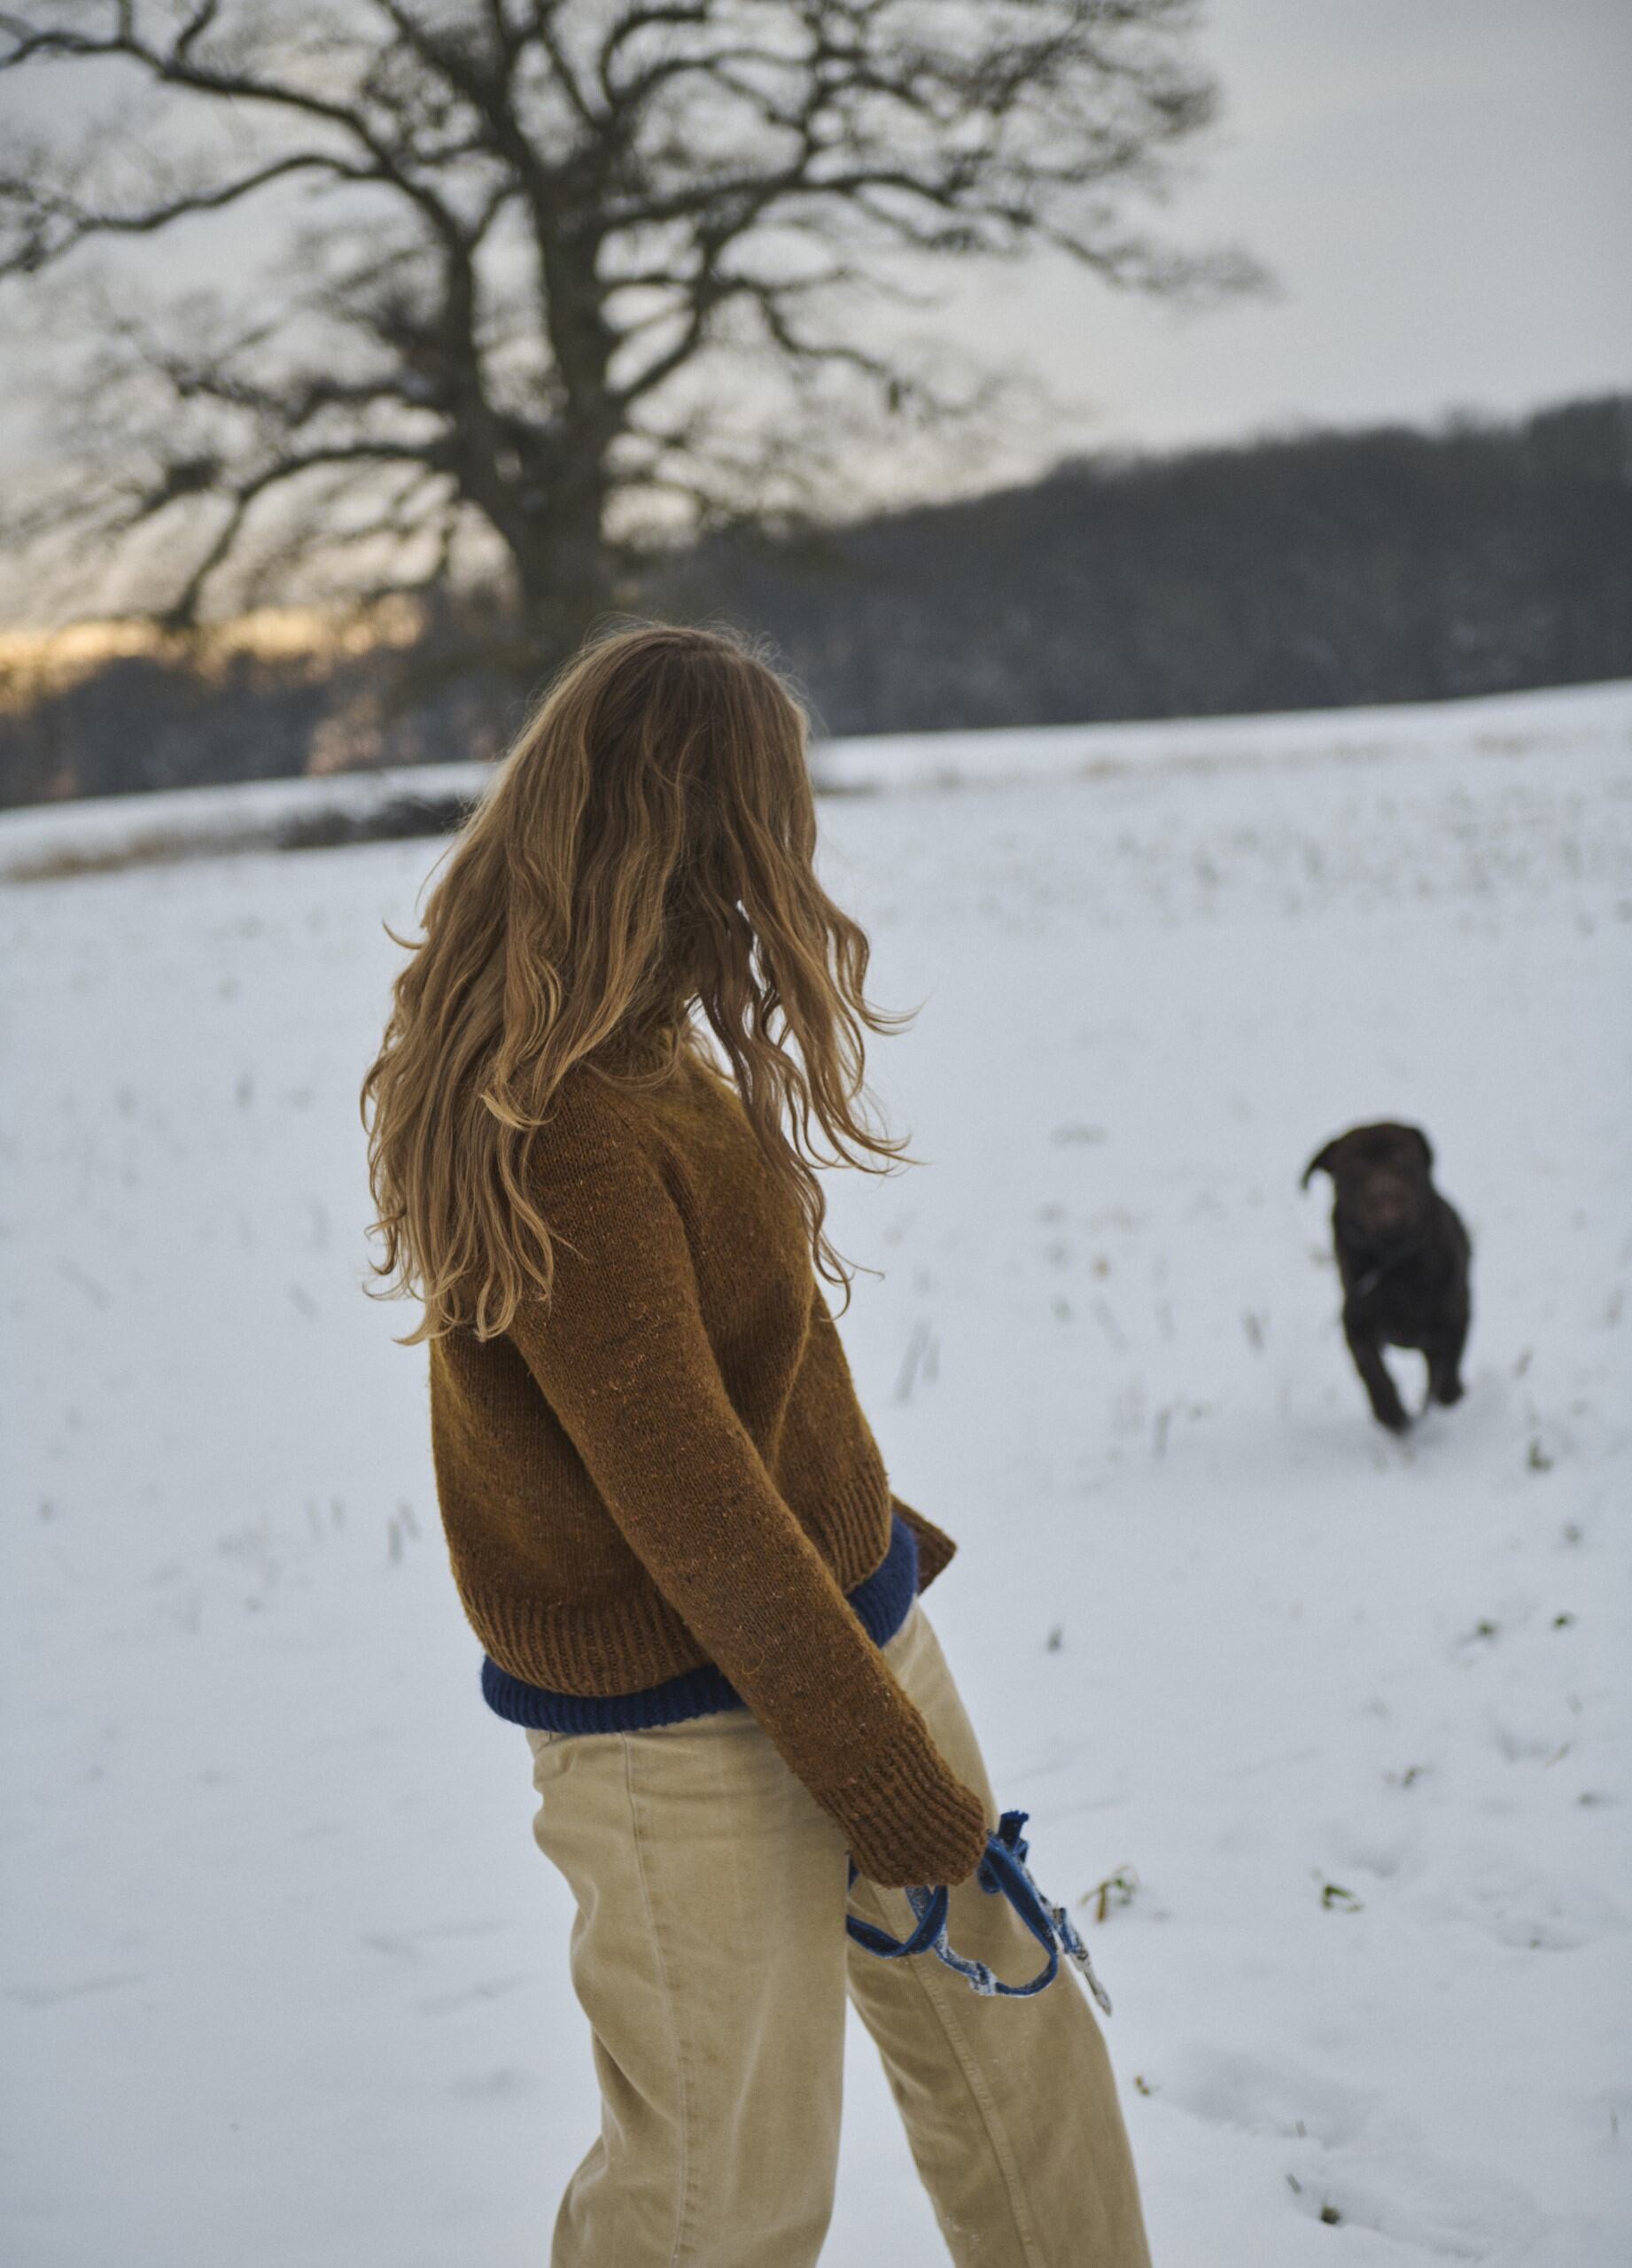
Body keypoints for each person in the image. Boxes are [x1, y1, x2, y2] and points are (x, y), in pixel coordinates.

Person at [361, 623, 1152, 2267]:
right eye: (768, 817)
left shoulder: (643, 1045)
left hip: (835, 1640)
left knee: (1023, 2067)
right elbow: (690, 1499)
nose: (792, 857)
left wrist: (869, 1541)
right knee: (723, 2193)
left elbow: (734, 1390)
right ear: (690, 831)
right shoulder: (562, 1118)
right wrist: (887, 1784)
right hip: (681, 1737)